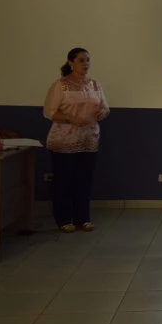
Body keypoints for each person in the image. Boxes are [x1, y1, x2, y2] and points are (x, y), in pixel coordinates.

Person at [43, 47, 110, 233]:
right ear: (71, 62)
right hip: (64, 141)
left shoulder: (95, 85)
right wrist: (70, 119)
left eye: (88, 60)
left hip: (89, 140)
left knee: (84, 180)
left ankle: (83, 218)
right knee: (64, 181)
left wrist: (103, 113)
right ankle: (64, 219)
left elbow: (105, 108)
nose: (85, 64)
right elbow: (49, 112)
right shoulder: (62, 85)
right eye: (81, 60)